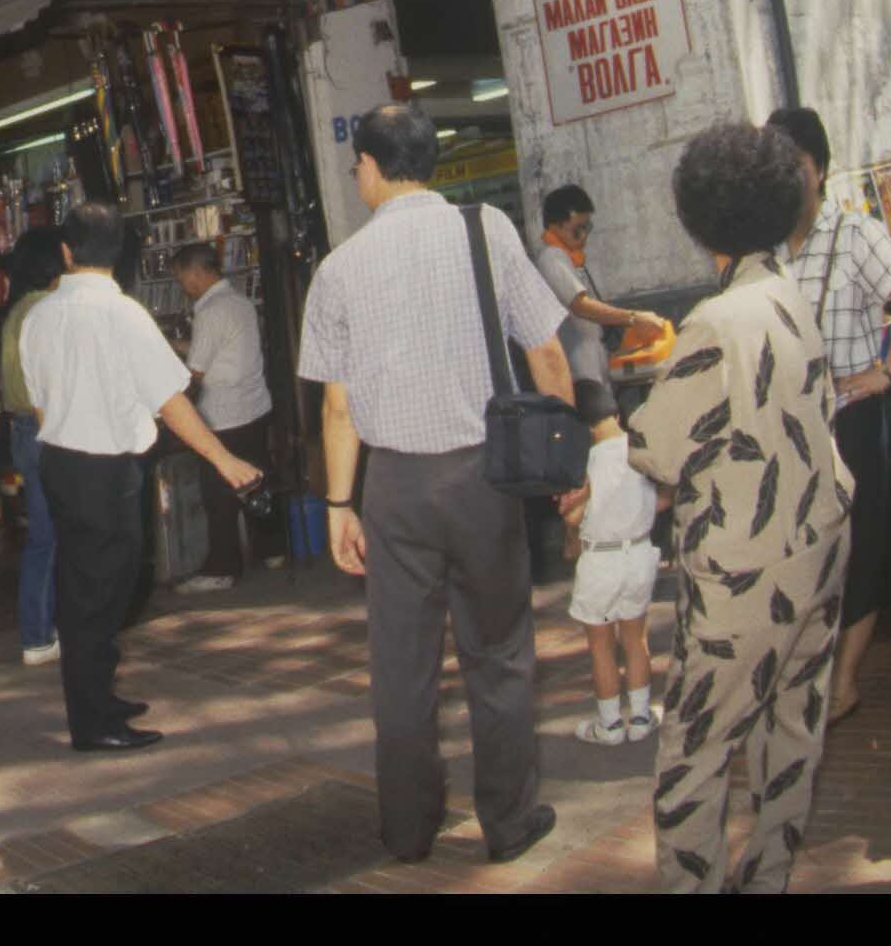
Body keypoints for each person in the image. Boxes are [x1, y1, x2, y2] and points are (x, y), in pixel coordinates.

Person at [299, 103, 579, 866]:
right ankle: (510, 821)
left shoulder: (338, 269)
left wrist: (337, 507)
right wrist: (567, 464)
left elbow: (337, 405)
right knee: (499, 654)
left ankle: (409, 830)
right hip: (486, 476)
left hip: (393, 487)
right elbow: (548, 356)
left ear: (369, 167)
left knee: (400, 664)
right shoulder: (485, 230)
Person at [627, 121, 854, 893]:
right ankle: (768, 879)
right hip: (817, 544)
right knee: (791, 739)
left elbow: (656, 447)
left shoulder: (715, 321)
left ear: (700, 215)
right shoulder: (786, 292)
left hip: (744, 571)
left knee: (694, 755)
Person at [25, 205, 263, 751]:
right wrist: (224, 461)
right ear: (123, 254)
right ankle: (93, 724)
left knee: (91, 587)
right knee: (102, 593)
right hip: (103, 467)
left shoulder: (40, 317)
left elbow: (39, 405)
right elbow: (170, 401)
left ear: (67, 251)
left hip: (62, 462)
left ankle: (98, 698)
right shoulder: (124, 315)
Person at [763, 106, 891, 727]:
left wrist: (887, 371)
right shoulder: (769, 249)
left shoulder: (855, 234)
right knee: (805, 553)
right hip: (794, 425)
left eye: (799, 167)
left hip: (853, 420)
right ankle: (810, 674)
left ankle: (847, 682)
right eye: (779, 167)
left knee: (861, 548)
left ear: (822, 170)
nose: (790, 179)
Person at [563, 378, 666, 745]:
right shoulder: (639, 450)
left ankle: (608, 725)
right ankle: (640, 717)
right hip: (637, 553)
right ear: (616, 412)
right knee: (636, 640)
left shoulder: (582, 462)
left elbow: (573, 518)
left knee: (601, 646)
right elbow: (663, 500)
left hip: (600, 560)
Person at [169, 243, 271, 594]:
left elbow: (195, 372)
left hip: (223, 415)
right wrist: (171, 343)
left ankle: (221, 568)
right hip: (253, 407)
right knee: (255, 483)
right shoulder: (240, 303)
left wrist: (173, 408)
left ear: (196, 272)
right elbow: (213, 349)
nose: (182, 285)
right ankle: (273, 552)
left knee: (219, 496)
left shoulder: (210, 311)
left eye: (182, 277)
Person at [0, 228, 67, 665]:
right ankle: (44, 632)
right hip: (46, 429)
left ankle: (40, 633)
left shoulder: (17, 309)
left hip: (22, 430)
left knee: (44, 537)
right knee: (57, 537)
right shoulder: (46, 310)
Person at [533, 185, 650, 391]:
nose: (584, 235)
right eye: (578, 228)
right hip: (579, 370)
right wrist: (633, 317)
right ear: (557, 226)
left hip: (593, 364)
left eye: (587, 227)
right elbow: (581, 305)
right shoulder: (552, 258)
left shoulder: (571, 259)